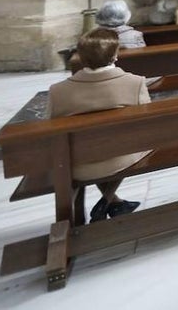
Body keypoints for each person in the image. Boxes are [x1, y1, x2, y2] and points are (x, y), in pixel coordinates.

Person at [48, 29, 150, 222]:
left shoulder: (58, 91)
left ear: (80, 57)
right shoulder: (134, 83)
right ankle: (109, 200)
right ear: (115, 55)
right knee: (132, 142)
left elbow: (50, 127)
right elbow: (146, 123)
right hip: (121, 157)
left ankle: (113, 202)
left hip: (75, 163)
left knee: (94, 148)